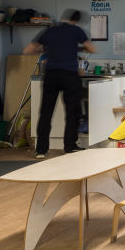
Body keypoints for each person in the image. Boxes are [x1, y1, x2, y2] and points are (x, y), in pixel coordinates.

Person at [24, 9, 96, 158]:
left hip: (51, 74)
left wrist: (48, 51)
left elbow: (28, 50)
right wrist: (76, 48)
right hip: (69, 75)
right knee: (72, 112)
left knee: (45, 113)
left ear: (64, 18)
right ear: (76, 20)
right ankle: (69, 147)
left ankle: (41, 150)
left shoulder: (49, 30)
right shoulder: (76, 30)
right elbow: (92, 48)